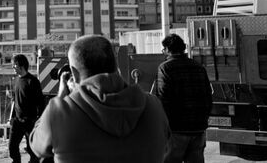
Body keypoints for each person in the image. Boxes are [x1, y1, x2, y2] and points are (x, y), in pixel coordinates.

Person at [29, 35, 170, 163]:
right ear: (116, 66)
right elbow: (166, 146)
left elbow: (37, 145)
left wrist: (62, 97)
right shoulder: (153, 106)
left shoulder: (58, 113)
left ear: (74, 74)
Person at [155, 34, 213, 163]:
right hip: (198, 128)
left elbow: (163, 99)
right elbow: (208, 95)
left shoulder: (165, 68)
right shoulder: (198, 67)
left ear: (167, 49)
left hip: (176, 129)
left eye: (163, 50)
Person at [9, 54, 45, 163]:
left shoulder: (32, 81)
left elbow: (41, 102)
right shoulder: (17, 80)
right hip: (17, 121)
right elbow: (15, 100)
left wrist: (37, 120)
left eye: (14, 65)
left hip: (30, 121)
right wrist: (11, 117)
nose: (13, 67)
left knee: (32, 149)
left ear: (21, 66)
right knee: (12, 147)